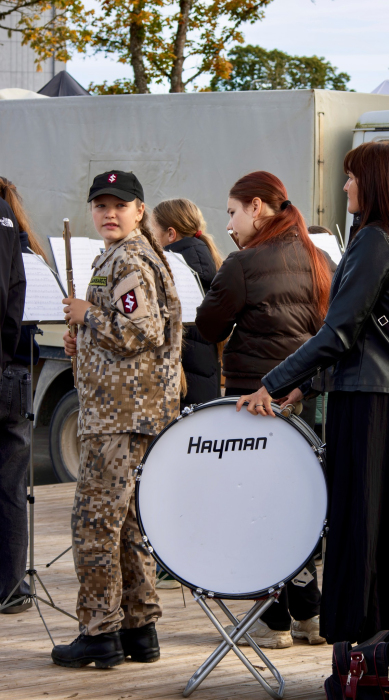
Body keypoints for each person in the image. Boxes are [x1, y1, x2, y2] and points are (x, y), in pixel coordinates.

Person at [237, 141, 389, 644]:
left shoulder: (373, 240)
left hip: (369, 408)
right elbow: (371, 335)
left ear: (375, 183)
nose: (345, 186)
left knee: (358, 531)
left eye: (352, 177)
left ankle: (360, 654)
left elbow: (340, 334)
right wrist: (304, 386)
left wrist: (272, 382)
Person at [51, 170, 183, 669]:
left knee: (94, 524)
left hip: (119, 415)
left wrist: (88, 316)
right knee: (127, 525)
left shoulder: (128, 258)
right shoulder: (125, 254)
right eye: (101, 205)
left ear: (139, 211)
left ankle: (99, 632)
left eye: (120, 206)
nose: (109, 213)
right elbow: (125, 332)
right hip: (129, 408)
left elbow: (139, 331)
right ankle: (139, 628)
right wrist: (84, 337)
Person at [196, 170, 332, 648]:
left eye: (233, 212)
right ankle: (309, 613)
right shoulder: (320, 259)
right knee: (295, 503)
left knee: (254, 505)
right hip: (303, 401)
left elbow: (208, 327)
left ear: (256, 207)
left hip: (252, 397)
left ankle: (273, 621)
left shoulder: (243, 263)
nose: (229, 224)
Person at [153, 198, 222, 410]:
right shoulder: (211, 264)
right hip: (204, 389)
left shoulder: (170, 271)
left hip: (179, 394)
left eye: (151, 231)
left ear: (171, 235)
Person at [0, 178, 28, 614]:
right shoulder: (11, 223)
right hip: (12, 368)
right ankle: (12, 587)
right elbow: (16, 295)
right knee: (10, 482)